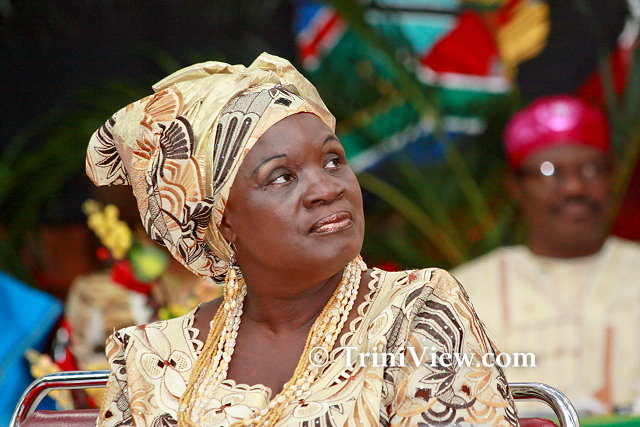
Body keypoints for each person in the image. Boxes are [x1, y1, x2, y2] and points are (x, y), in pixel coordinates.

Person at [86, 53, 518, 426]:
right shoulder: (153, 356)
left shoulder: (415, 312)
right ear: (222, 220)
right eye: (282, 177)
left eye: (333, 160)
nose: (327, 189)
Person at [452, 95, 640, 415]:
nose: (574, 188)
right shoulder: (462, 294)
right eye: (550, 171)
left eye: (591, 170)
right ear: (516, 186)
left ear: (611, 176)